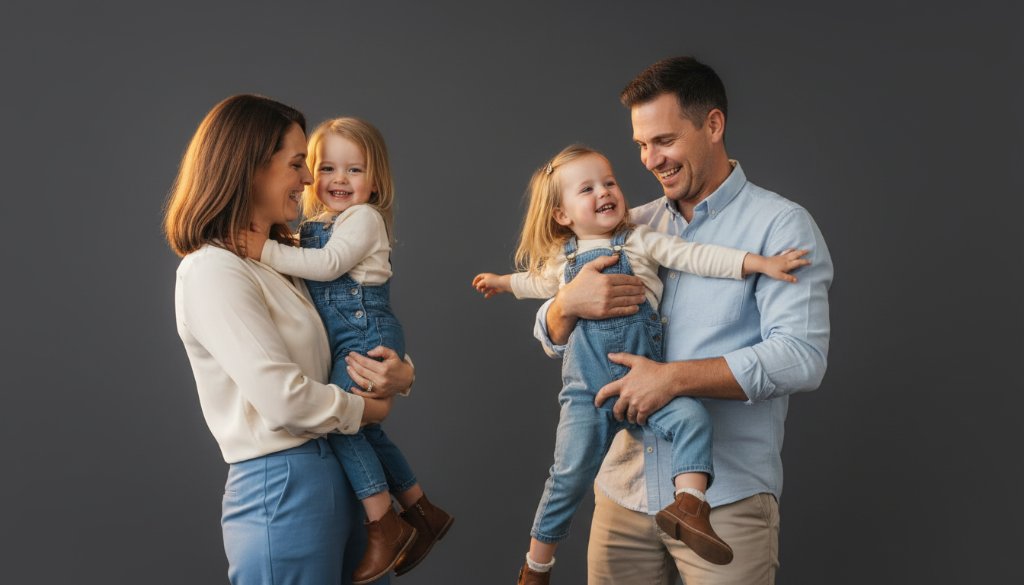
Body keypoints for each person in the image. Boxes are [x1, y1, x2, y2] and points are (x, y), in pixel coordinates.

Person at [533, 57, 834, 584]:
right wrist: (565, 306)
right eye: (642, 145)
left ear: (712, 126)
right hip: (623, 495)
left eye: (664, 140)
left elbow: (801, 358)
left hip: (726, 503)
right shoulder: (630, 225)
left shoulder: (780, 227)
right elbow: (557, 338)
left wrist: (671, 378)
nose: (651, 159)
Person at [473, 145, 808, 584]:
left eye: (609, 182)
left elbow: (699, 256)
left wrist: (757, 262)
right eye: (587, 189)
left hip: (647, 384)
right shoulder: (565, 261)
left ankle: (689, 505)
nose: (605, 192)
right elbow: (535, 285)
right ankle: (537, 564)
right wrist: (524, 290)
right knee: (568, 474)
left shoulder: (639, 237)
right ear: (562, 215)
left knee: (692, 418)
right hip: (587, 394)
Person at [165, 95, 415, 585]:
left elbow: (353, 332)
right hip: (284, 481)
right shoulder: (213, 270)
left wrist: (402, 373)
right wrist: (369, 410)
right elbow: (283, 398)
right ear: (250, 168)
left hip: (345, 474)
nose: (309, 180)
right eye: (298, 163)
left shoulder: (286, 264)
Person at [242, 117, 453, 584]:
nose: (338, 180)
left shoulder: (363, 218)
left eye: (354, 171)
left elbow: (329, 264)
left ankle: (384, 522)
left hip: (364, 331)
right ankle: (421, 510)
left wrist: (265, 251)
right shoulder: (320, 225)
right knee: (366, 430)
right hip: (352, 336)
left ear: (375, 182)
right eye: (327, 168)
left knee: (343, 424)